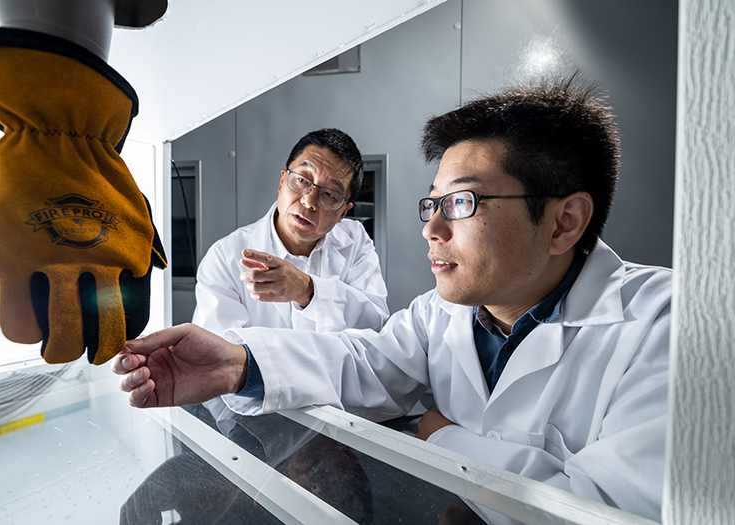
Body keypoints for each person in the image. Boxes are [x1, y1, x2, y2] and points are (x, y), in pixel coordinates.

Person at [114, 76, 671, 524]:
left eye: (462, 202)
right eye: (432, 205)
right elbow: (369, 359)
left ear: (563, 222)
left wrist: (443, 436)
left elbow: (611, 510)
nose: (431, 230)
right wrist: (240, 362)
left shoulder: (665, 325)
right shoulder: (442, 311)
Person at [192, 128, 389, 336]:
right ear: (282, 181)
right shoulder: (225, 257)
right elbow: (219, 352)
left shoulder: (354, 240)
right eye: (302, 180)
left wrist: (307, 291)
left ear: (343, 213)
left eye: (330, 194)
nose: (308, 201)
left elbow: (374, 325)